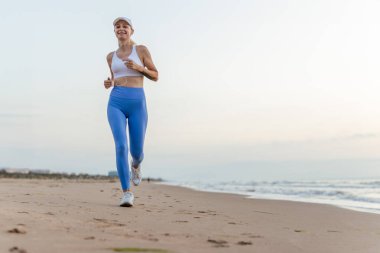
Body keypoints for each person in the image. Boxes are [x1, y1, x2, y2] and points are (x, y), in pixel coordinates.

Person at [104, 17, 159, 207]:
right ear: (114, 32)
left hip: (137, 103)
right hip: (116, 102)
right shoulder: (110, 56)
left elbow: (155, 75)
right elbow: (114, 78)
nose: (121, 29)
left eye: (124, 26)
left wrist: (139, 68)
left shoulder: (141, 50)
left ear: (131, 31)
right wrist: (109, 83)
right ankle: (127, 192)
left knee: (137, 152)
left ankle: (135, 165)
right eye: (117, 27)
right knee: (121, 146)